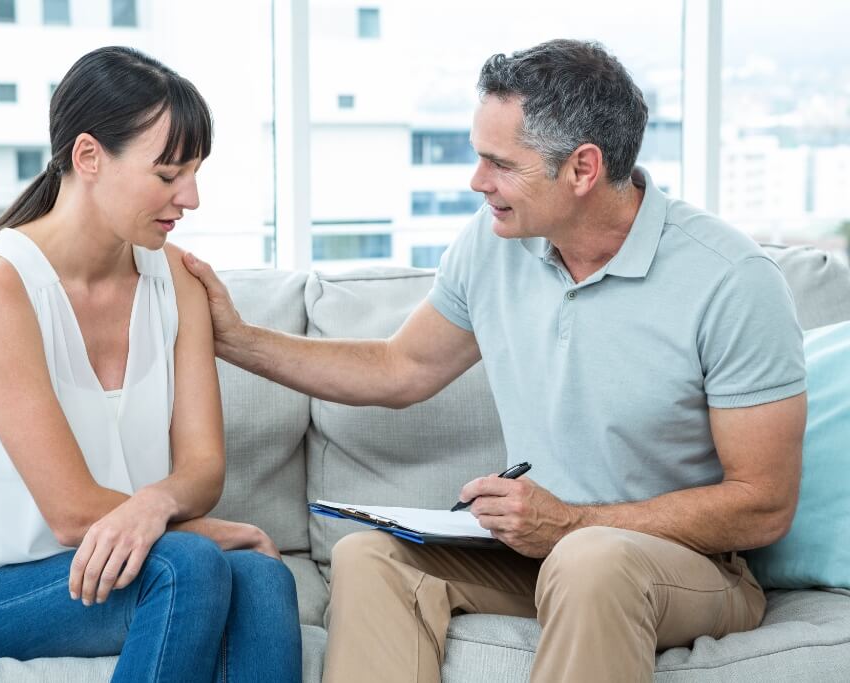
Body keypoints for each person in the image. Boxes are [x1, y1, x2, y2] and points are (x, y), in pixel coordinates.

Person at [182, 39, 807, 683]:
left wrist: (574, 523)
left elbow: (762, 504)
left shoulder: (731, 279)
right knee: (370, 556)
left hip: (687, 566)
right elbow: (399, 369)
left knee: (590, 558)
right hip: (538, 552)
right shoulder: (494, 243)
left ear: (583, 169)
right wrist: (237, 339)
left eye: (499, 164)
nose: (478, 182)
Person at [0, 46, 302, 683]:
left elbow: (203, 469)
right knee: (188, 564)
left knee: (261, 576)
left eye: (196, 173)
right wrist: (196, 529)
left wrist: (158, 507)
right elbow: (70, 512)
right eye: (169, 174)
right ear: (89, 157)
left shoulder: (177, 279)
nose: (192, 198)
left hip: (129, 561)